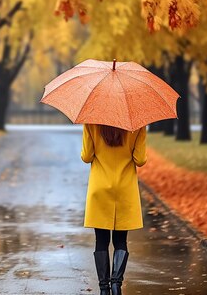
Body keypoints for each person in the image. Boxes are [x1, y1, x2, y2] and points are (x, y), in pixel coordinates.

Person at [81, 124, 147, 295]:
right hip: (125, 188)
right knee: (121, 241)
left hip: (100, 187)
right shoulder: (137, 125)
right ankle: (116, 284)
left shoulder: (91, 123)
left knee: (101, 241)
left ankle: (104, 289)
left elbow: (87, 157)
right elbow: (140, 160)